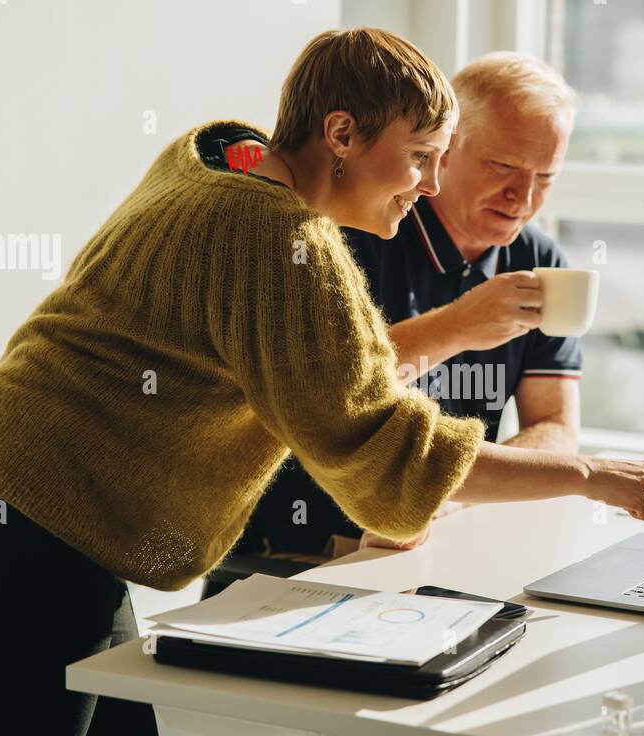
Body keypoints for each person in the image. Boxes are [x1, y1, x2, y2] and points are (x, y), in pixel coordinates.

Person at [0, 27, 644, 736]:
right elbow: (389, 454)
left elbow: (335, 380)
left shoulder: (226, 164)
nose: (429, 184)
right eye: (423, 155)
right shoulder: (283, 239)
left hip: (15, 508)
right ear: (341, 134)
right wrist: (592, 473)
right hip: (26, 523)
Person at [216, 52, 583, 574]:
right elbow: (320, 392)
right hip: (290, 555)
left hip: (426, 551)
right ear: (446, 147)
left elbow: (555, 426)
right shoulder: (355, 226)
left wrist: (441, 499)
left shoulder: (540, 261)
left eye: (545, 177)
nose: (522, 198)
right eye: (502, 167)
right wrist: (456, 326)